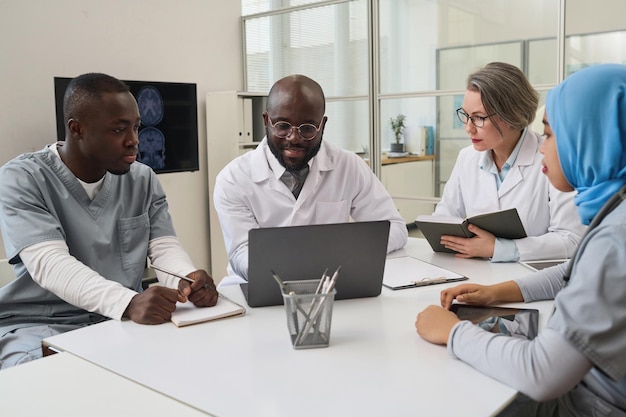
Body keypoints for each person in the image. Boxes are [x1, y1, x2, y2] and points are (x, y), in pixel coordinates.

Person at [415, 63, 626, 416]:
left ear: (589, 137)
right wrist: (498, 292)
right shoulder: (616, 214)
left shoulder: (615, 240)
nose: (542, 147)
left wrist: (452, 333)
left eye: (551, 134)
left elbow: (542, 372)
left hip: (591, 403)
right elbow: (574, 271)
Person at [0, 73, 218, 369]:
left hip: (119, 320)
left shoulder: (142, 179)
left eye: (137, 128)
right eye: (118, 130)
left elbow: (164, 247)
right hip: (42, 323)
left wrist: (186, 281)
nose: (134, 142)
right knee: (50, 379)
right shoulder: (23, 178)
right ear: (77, 129)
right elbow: (49, 264)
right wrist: (128, 302)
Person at [214, 74, 408, 283]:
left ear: (322, 125)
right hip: (258, 286)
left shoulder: (349, 165)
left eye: (307, 128)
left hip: (330, 285)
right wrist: (297, 268)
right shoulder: (233, 179)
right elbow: (241, 252)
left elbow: (394, 228)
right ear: (266, 121)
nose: (294, 138)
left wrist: (344, 251)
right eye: (282, 125)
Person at [429, 62, 584, 262]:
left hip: (531, 281)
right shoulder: (467, 158)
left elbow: (571, 239)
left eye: (478, 118)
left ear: (511, 115)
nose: (468, 128)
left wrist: (500, 248)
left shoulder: (552, 159)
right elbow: (445, 216)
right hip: (473, 271)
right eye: (466, 116)